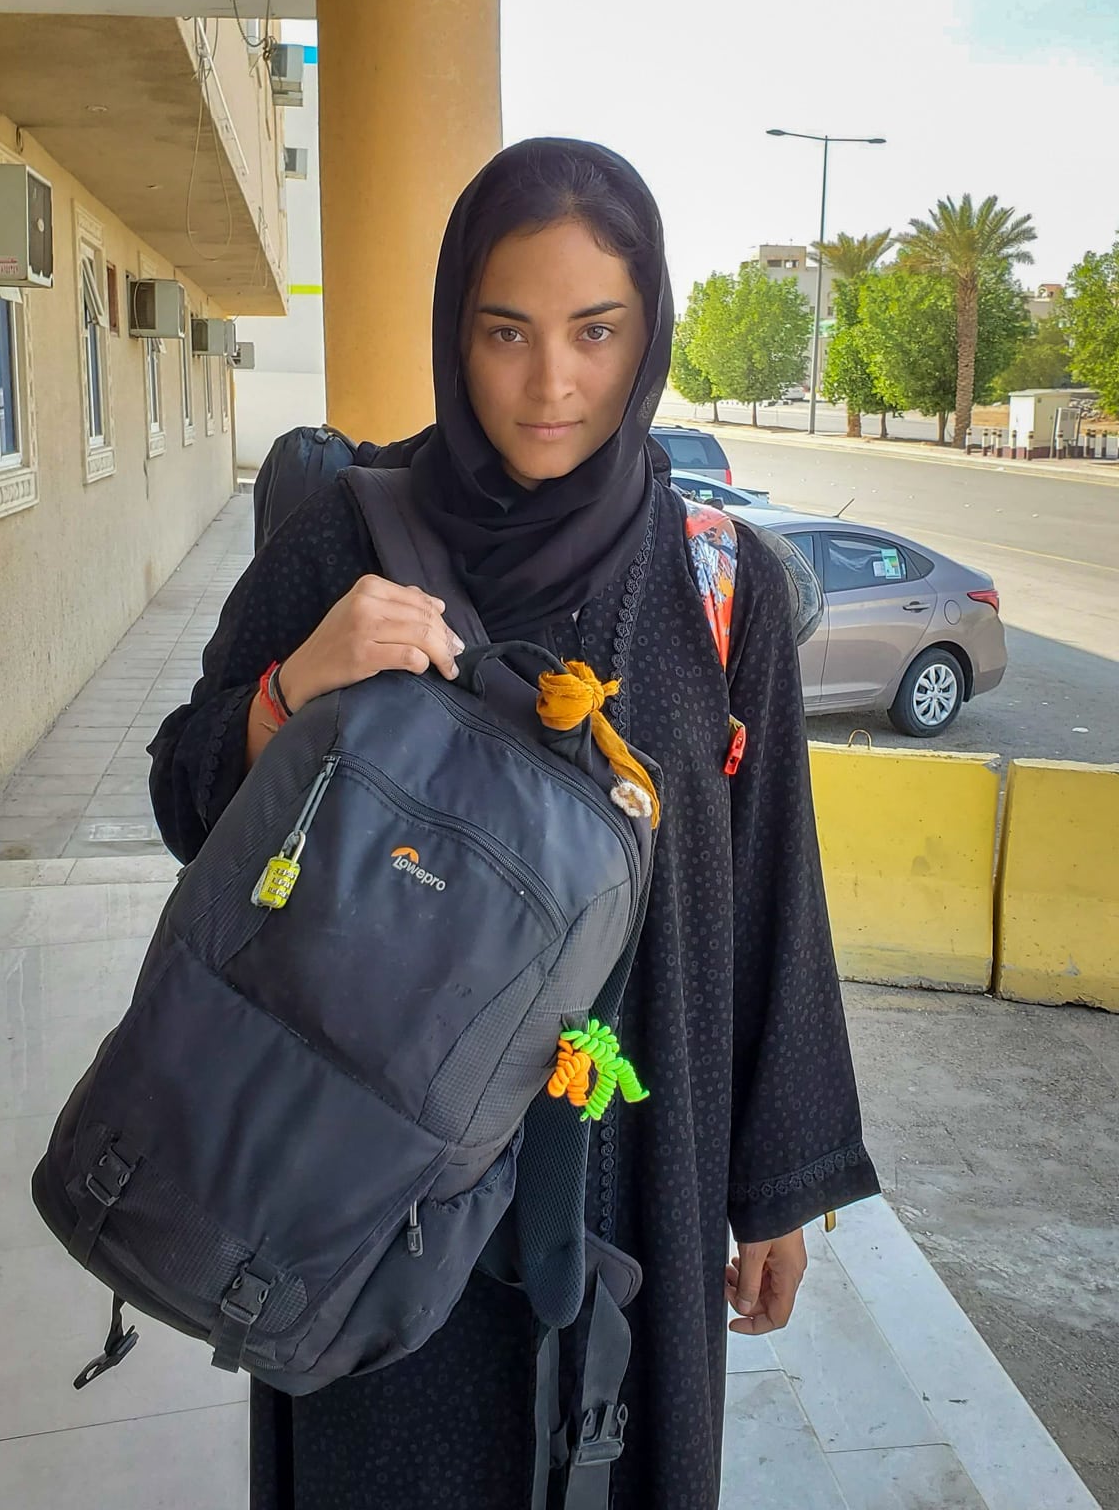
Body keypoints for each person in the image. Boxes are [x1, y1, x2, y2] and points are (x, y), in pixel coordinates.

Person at [148, 137, 878, 1510]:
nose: (553, 384)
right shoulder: (343, 539)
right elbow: (189, 800)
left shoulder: (720, 589)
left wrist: (781, 1176)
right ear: (454, 333)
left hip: (633, 1168)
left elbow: (770, 879)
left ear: (647, 332)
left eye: (596, 332)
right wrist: (293, 689)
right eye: (506, 333)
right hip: (374, 1179)